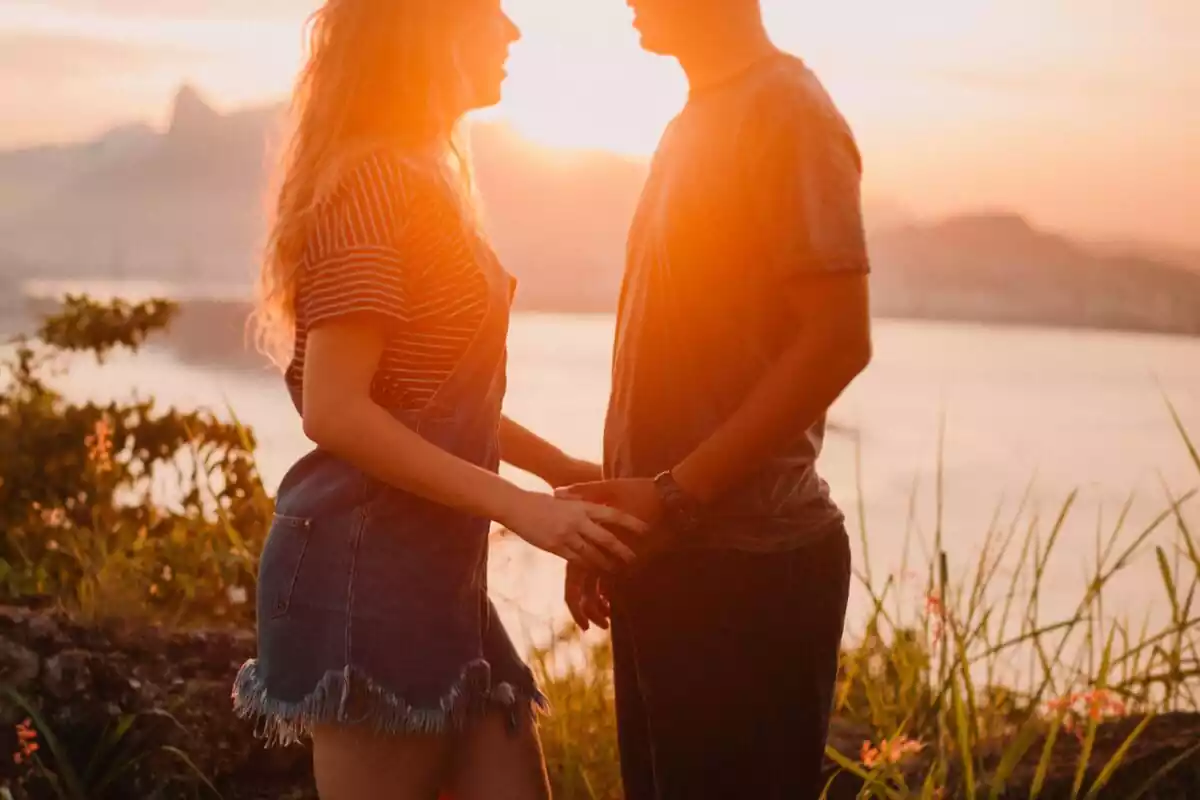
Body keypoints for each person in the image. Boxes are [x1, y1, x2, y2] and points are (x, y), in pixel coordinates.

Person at [231, 1, 648, 798]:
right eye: (491, 12)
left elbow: (420, 397)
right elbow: (337, 409)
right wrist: (519, 507)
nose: (513, 32)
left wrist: (559, 469)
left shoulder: (425, 173)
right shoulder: (373, 183)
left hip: (433, 575)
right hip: (364, 577)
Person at [559, 0, 873, 797]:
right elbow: (683, 369)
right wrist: (624, 525)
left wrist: (669, 495)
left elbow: (839, 341)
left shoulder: (788, 113)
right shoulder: (692, 121)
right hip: (673, 555)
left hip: (748, 573)